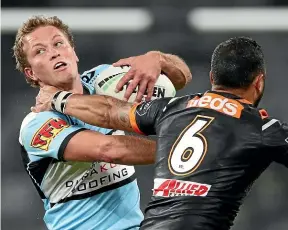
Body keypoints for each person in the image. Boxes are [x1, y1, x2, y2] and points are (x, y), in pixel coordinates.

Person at [33, 36, 288, 230]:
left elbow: (112, 111)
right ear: (259, 82)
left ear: (212, 77)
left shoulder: (173, 108)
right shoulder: (260, 127)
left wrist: (58, 98)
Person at [14, 16, 192, 230]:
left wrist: (157, 59)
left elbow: (179, 79)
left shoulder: (103, 80)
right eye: (39, 51)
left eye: (58, 43)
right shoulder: (37, 125)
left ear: (74, 52)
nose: (54, 52)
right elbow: (109, 149)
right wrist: (185, 150)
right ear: (31, 73)